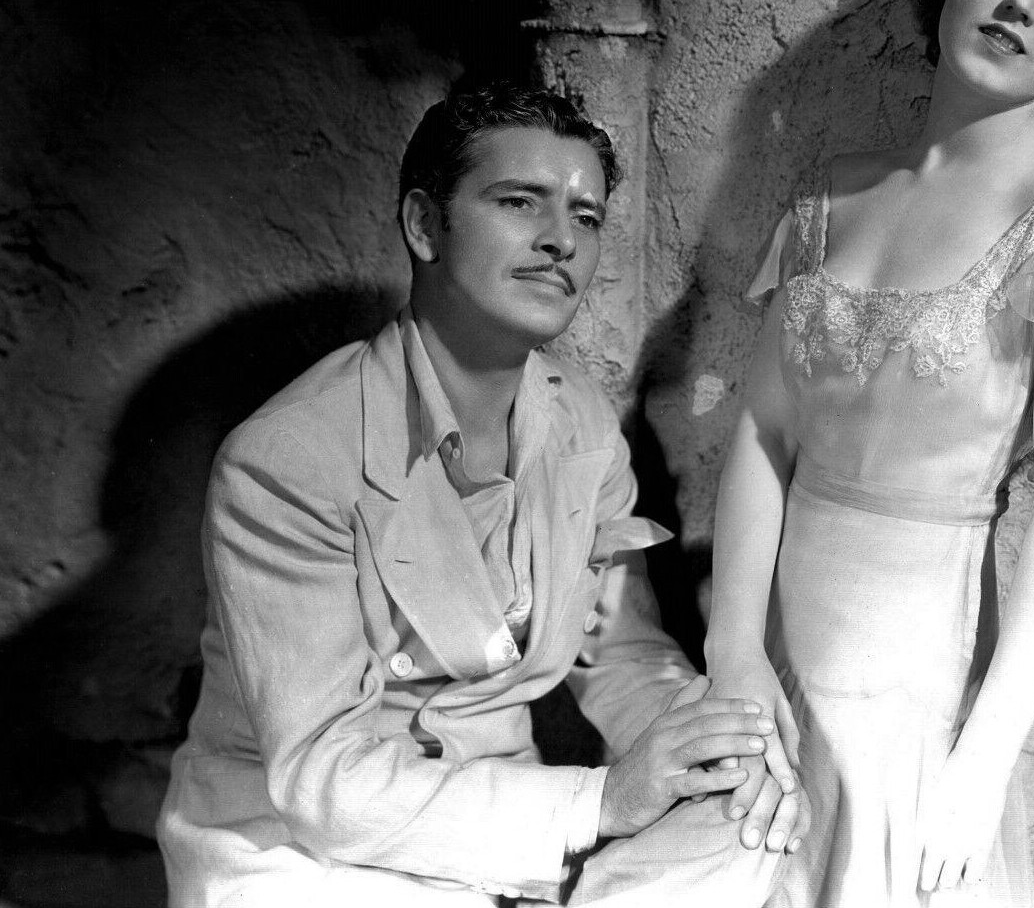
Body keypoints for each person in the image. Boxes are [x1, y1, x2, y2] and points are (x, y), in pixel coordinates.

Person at [157, 83, 804, 907]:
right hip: (304, 849)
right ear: (425, 224)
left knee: (764, 832)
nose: (560, 239)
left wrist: (716, 747)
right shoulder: (287, 460)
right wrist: (600, 800)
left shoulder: (582, 424)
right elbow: (324, 780)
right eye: (518, 201)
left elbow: (618, 651)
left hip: (506, 828)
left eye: (585, 216)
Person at [704, 0, 1034, 906]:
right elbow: (763, 434)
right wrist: (731, 650)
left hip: (916, 663)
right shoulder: (831, 194)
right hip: (774, 637)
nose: (1023, 1)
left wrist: (980, 763)